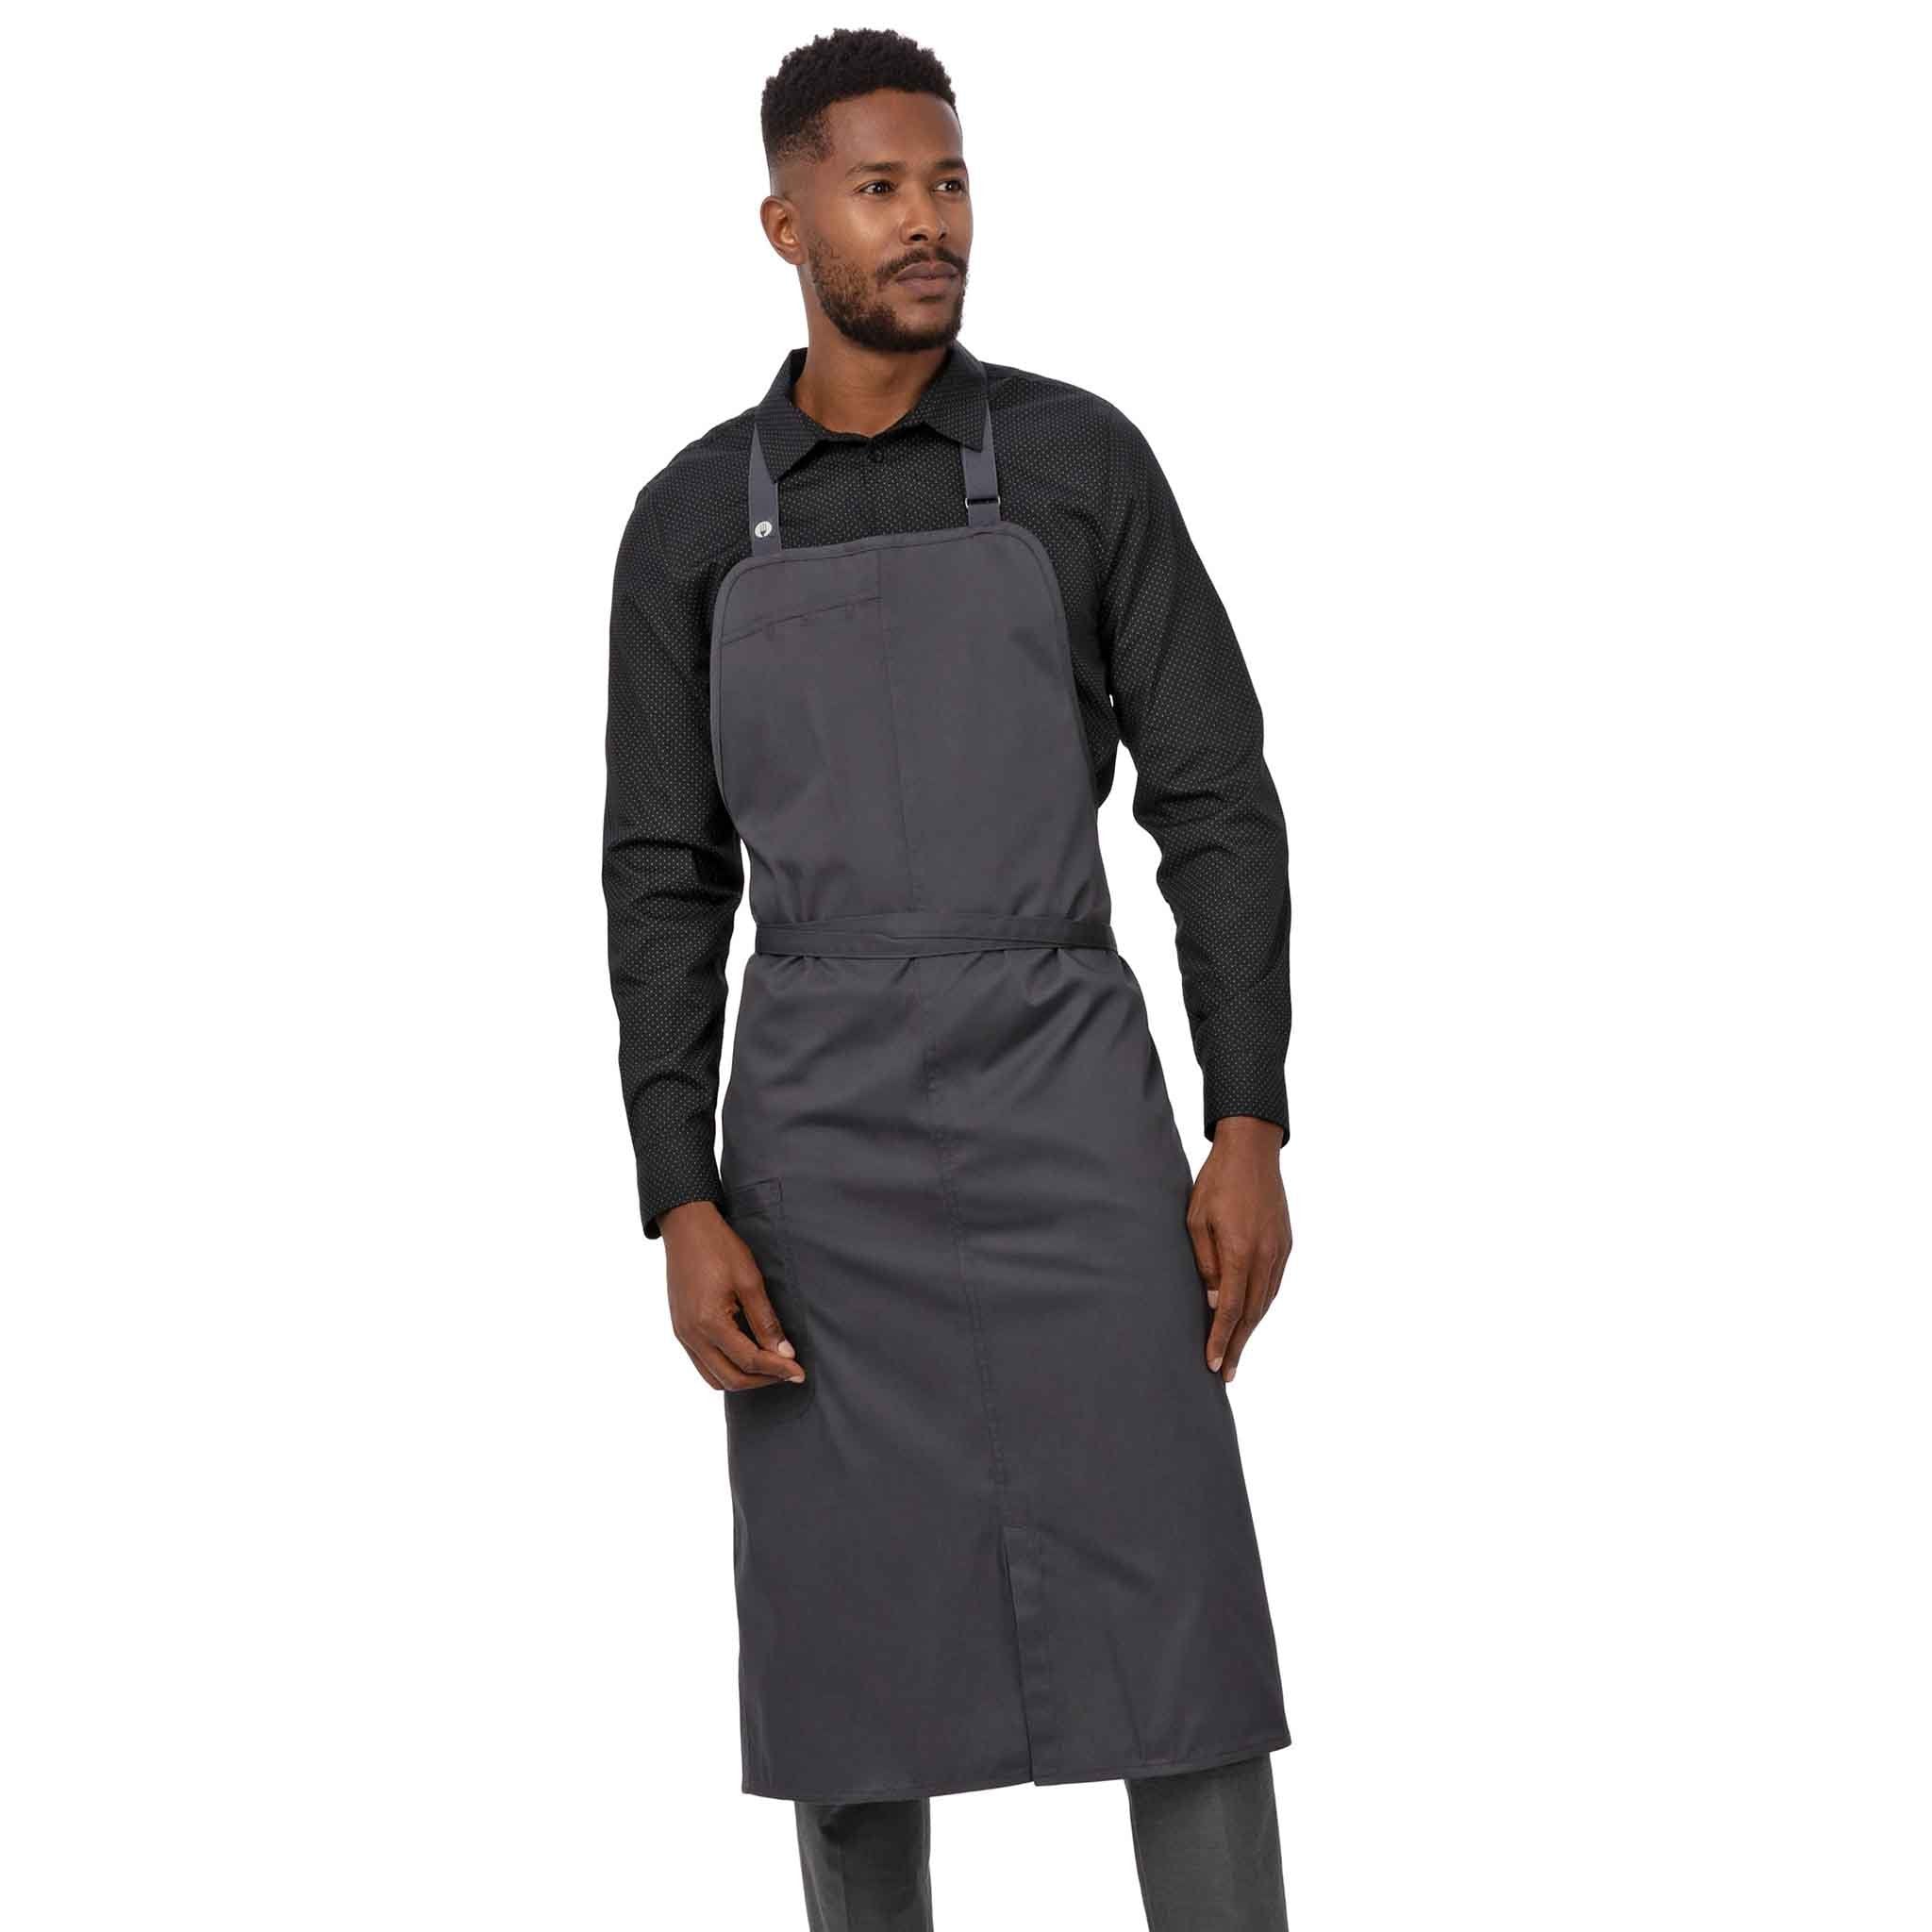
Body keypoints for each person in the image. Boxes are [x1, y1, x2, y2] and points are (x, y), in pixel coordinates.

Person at [602, 27, 1294, 1930]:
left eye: (951, 182)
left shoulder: (1081, 464)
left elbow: (1216, 797)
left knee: (1178, 1632)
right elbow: (662, 876)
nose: (930, 222)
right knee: (849, 1673)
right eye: (882, 188)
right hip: (815, 1148)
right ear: (786, 223)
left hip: (1069, 1103)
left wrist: (1247, 1118)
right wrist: (676, 1190)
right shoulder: (688, 524)